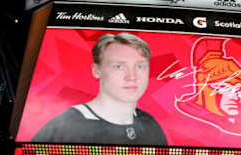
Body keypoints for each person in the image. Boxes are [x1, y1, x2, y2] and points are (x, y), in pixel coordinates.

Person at [32, 32, 167, 146]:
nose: (131, 76)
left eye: (139, 66)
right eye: (119, 66)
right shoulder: (63, 128)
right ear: (97, 71)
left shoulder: (150, 125)